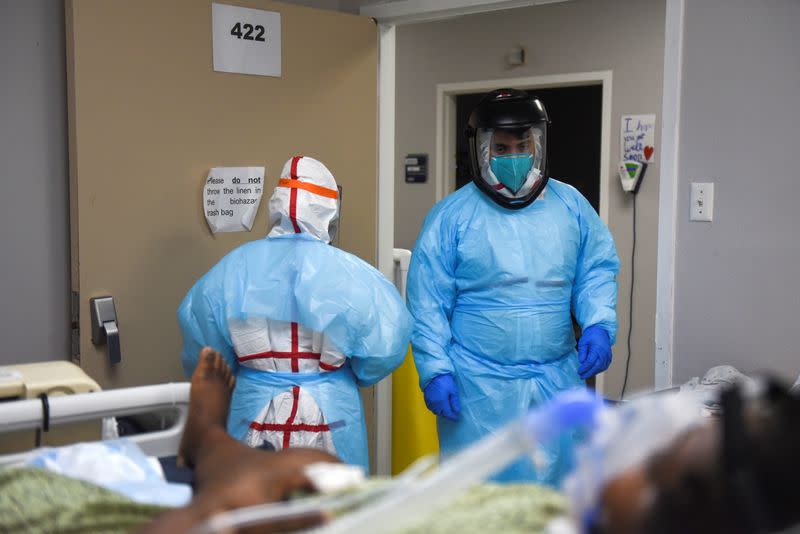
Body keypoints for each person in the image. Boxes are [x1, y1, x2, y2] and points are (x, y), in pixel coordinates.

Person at [407, 88, 619, 484]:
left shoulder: (570, 205)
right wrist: (435, 370)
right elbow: (427, 302)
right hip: (478, 391)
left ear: (538, 143)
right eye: (502, 148)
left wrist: (598, 324)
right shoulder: (452, 216)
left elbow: (595, 270)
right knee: (483, 502)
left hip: (556, 380)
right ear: (482, 150)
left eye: (523, 145)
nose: (514, 156)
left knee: (555, 497)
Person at [178, 156, 413, 471]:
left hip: (252, 407)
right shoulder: (354, 275)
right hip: (332, 410)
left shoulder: (231, 270)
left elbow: (204, 355)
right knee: (333, 508)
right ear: (328, 211)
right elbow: (386, 349)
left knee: (254, 503)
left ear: (276, 205)